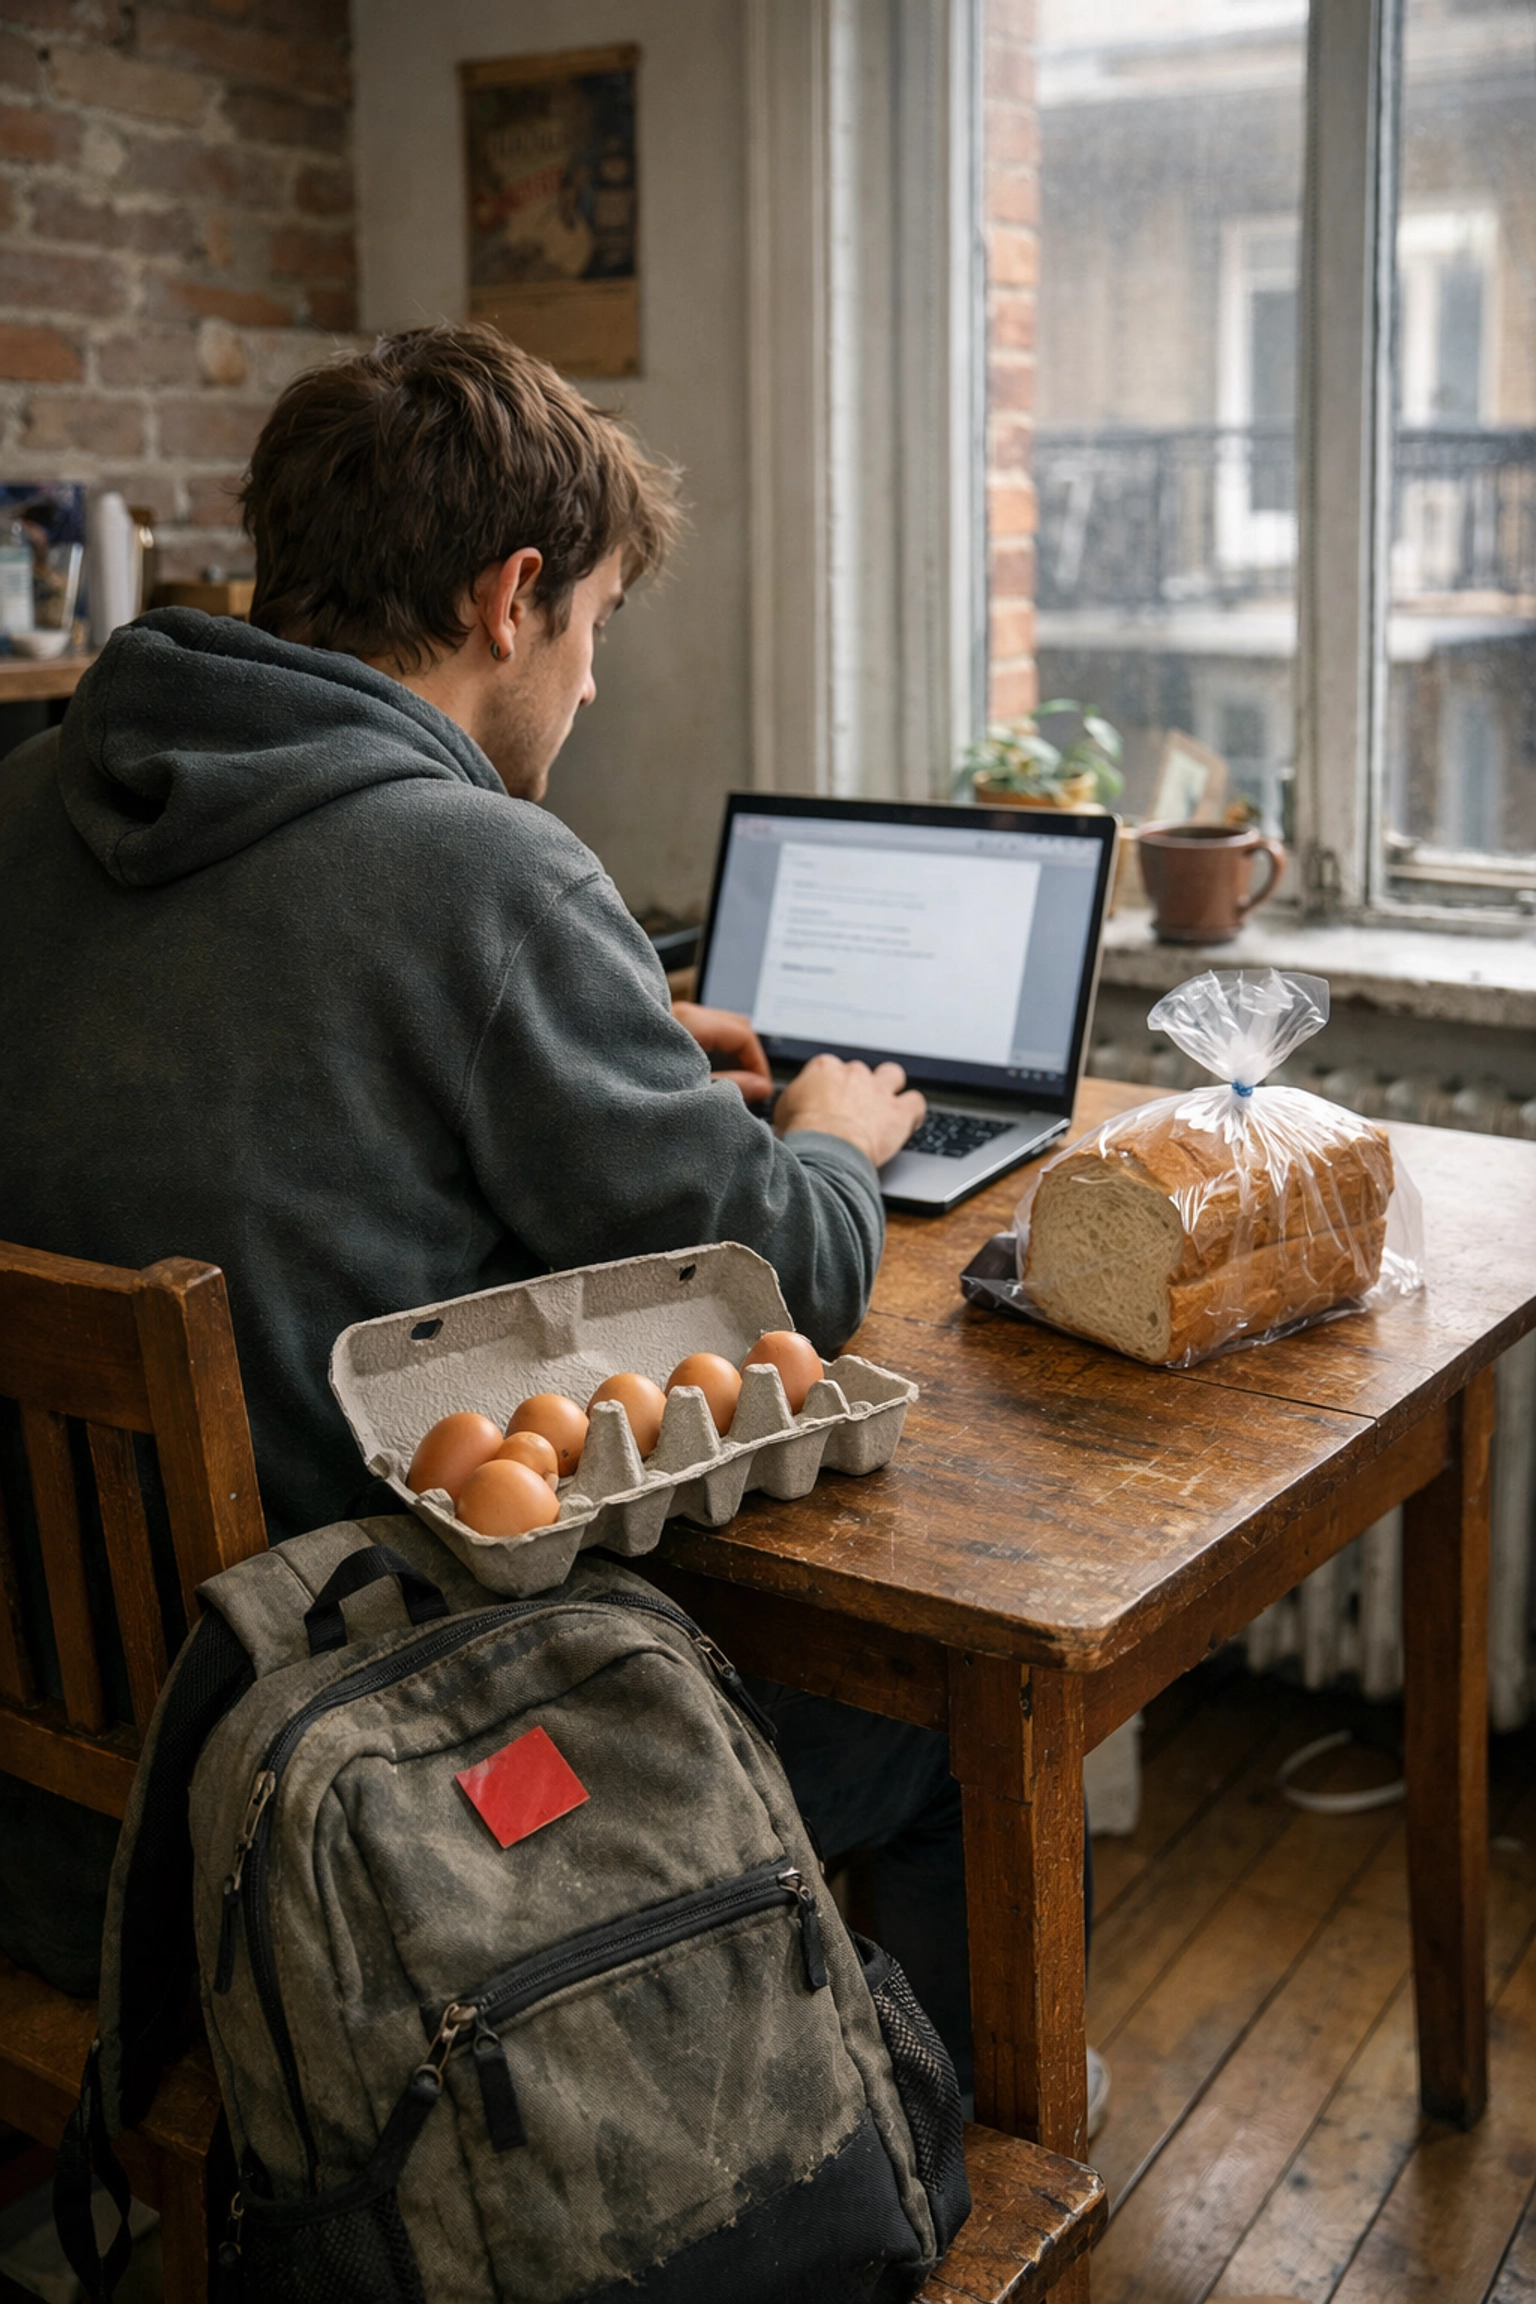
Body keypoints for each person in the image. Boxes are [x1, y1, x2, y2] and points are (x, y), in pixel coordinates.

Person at [0, 325, 1092, 2119]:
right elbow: (776, 1279)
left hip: (56, 1790)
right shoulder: (480, 870)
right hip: (344, 1815)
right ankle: (884, 2176)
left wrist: (608, 1043)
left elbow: (299, 1096)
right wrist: (826, 1135)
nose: (586, 689)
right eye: (590, 628)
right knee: (949, 1725)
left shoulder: (32, 800)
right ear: (511, 597)